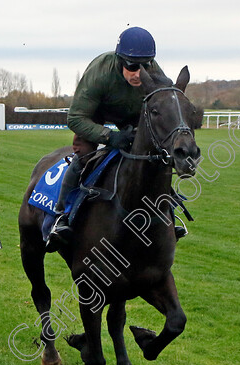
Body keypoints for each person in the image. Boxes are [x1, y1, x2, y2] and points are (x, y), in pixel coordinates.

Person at [45, 26, 186, 252]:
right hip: (95, 115)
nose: (138, 72)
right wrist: (110, 137)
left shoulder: (154, 73)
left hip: (133, 116)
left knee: (156, 155)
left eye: (145, 65)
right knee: (83, 155)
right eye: (131, 66)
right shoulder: (100, 73)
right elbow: (75, 118)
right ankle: (62, 216)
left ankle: (168, 212)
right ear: (120, 60)